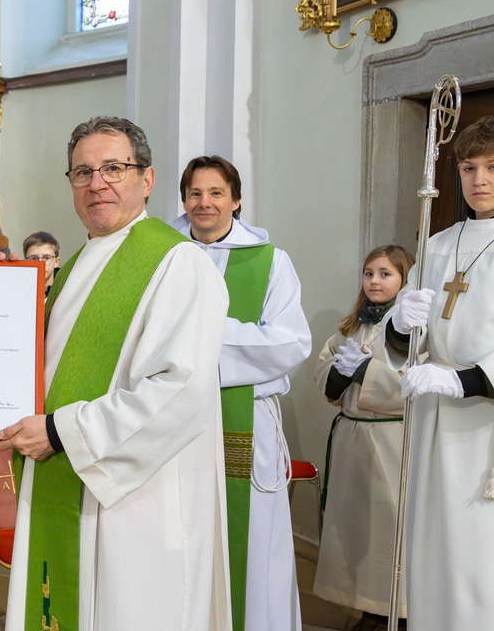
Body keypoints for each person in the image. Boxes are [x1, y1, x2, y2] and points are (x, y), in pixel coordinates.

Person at [0, 116, 231, 630]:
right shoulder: (77, 264)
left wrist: (60, 430)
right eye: (82, 172)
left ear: (146, 180)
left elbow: (180, 389)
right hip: (70, 478)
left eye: (112, 168)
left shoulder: (178, 263)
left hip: (137, 498)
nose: (96, 183)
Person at [169, 155, 312, 631]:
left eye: (215, 193)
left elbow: (291, 342)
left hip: (245, 423)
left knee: (250, 543)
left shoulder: (271, 260)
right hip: (173, 422)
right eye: (194, 193)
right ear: (183, 199)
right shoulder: (163, 256)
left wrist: (202, 338)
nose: (203, 203)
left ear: (236, 199)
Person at [384, 116, 494, 629]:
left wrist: (465, 379)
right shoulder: (438, 244)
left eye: (492, 168)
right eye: (469, 168)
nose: (479, 181)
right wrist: (401, 326)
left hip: (483, 424)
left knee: (477, 558)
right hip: (433, 421)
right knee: (431, 553)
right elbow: (409, 339)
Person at [313, 245, 414, 631]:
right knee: (354, 532)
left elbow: (412, 384)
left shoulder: (411, 329)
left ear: (405, 280)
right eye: (369, 273)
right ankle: (366, 610)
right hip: (352, 438)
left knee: (388, 531)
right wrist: (339, 372)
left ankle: (397, 613)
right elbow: (325, 374)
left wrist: (366, 370)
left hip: (391, 440)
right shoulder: (351, 325)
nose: (374, 280)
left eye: (385, 274)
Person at [23, 230, 61, 295]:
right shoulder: (19, 290)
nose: (40, 263)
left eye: (47, 258)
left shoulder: (65, 289)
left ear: (56, 262)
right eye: (33, 258)